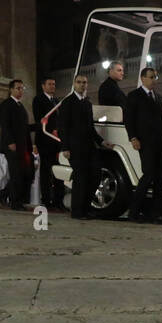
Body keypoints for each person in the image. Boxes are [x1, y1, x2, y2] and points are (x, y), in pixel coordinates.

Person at [124, 67, 162, 222]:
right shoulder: (134, 96)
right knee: (148, 175)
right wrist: (133, 137)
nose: (154, 80)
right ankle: (133, 211)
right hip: (145, 142)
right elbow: (128, 119)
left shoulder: (159, 98)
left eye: (155, 77)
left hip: (159, 143)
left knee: (160, 179)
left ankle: (156, 213)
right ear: (143, 78)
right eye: (151, 77)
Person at [58, 73, 112, 219]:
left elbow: (91, 128)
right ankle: (77, 212)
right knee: (80, 179)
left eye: (84, 82)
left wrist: (101, 141)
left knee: (95, 176)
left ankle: (86, 208)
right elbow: (63, 126)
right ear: (74, 84)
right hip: (74, 148)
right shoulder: (67, 102)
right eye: (79, 82)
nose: (82, 85)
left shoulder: (87, 103)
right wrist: (65, 147)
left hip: (89, 147)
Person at [0, 79, 33, 210]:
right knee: (16, 173)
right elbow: (5, 125)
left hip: (22, 145)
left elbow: (24, 128)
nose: (20, 91)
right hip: (11, 145)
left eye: (22, 88)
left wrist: (39, 125)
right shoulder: (6, 104)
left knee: (22, 173)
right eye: (18, 88)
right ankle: (15, 202)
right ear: (11, 90)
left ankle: (3, 195)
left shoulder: (21, 106)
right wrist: (10, 142)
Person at [33, 77, 65, 211]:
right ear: (43, 86)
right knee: (46, 172)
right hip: (46, 140)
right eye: (50, 84)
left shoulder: (57, 101)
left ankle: (59, 200)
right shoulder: (38, 100)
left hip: (58, 142)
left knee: (59, 172)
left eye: (54, 84)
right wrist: (52, 129)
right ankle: (46, 200)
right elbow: (40, 118)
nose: (53, 86)